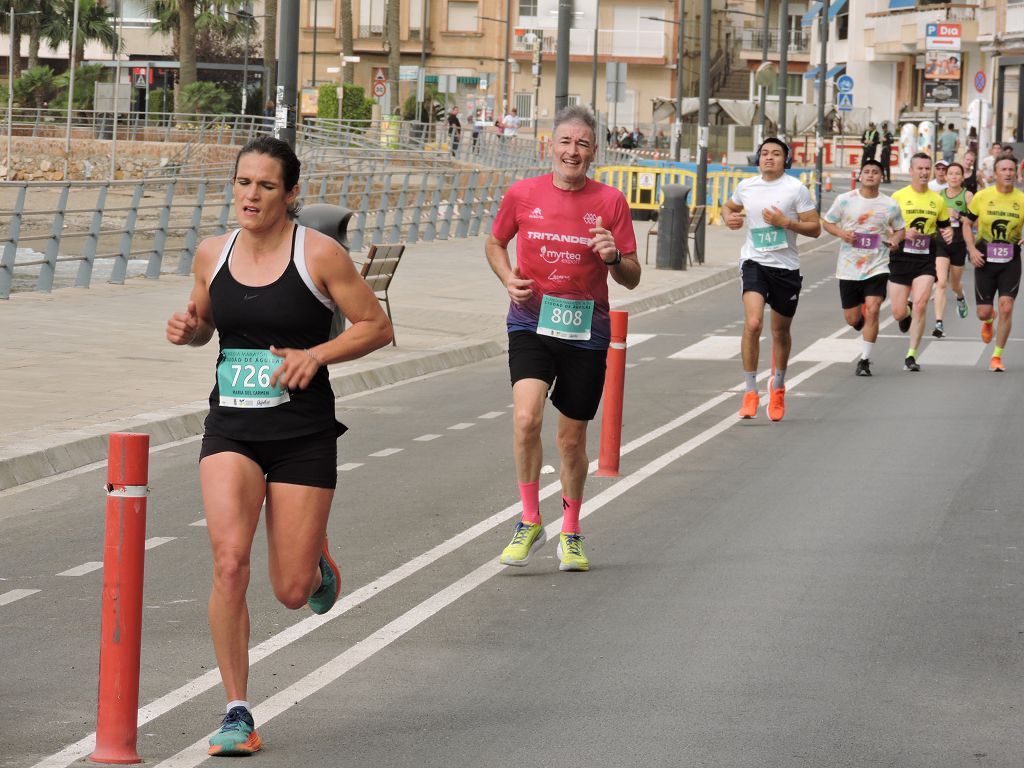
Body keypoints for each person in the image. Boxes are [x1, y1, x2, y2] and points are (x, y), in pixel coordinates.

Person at [165, 137, 393, 756]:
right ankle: (237, 710)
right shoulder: (213, 253)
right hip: (232, 428)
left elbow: (378, 326)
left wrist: (314, 354)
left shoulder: (319, 254)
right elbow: (208, 322)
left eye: (266, 186)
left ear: (291, 194)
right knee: (229, 561)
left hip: (302, 435)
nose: (251, 195)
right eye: (243, 183)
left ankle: (315, 560)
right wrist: (190, 333)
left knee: (292, 591)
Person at [486, 105, 640, 572]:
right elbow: (495, 242)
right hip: (530, 320)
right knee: (526, 417)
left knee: (571, 441)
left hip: (585, 330)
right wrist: (508, 277)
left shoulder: (611, 202)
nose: (573, 151)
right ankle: (530, 519)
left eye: (583, 144)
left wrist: (613, 257)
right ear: (549, 147)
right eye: (565, 142)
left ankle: (571, 530)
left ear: (594, 153)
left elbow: (632, 277)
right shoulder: (522, 193)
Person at [722, 137, 821, 419]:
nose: (769, 158)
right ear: (758, 158)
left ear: (785, 160)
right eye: (764, 153)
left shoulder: (795, 189)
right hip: (754, 261)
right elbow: (728, 207)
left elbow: (815, 228)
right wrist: (729, 218)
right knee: (753, 323)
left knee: (780, 331)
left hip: (786, 267)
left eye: (776, 154)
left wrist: (786, 223)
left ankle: (777, 387)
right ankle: (750, 391)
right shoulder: (746, 187)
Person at [821, 159, 906, 377]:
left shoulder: (890, 204)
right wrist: (842, 234)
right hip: (849, 267)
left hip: (877, 265)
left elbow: (900, 229)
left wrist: (895, 240)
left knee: (874, 309)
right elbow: (828, 222)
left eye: (875, 172)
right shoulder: (844, 200)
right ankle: (866, 327)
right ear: (860, 176)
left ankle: (865, 360)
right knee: (852, 319)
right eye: (866, 172)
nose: (870, 175)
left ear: (881, 177)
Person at [889, 152, 954, 371]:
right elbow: (885, 227)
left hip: (925, 259)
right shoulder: (898, 196)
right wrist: (902, 233)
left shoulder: (937, 200)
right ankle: (904, 311)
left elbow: (944, 226)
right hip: (900, 257)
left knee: (921, 304)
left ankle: (911, 356)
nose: (925, 172)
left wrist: (948, 234)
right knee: (898, 312)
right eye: (921, 168)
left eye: (928, 169)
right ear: (911, 171)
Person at [963, 155, 1024, 371]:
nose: (1008, 173)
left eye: (1011, 169)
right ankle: (989, 321)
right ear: (995, 173)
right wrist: (971, 249)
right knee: (983, 312)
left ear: (1016, 172)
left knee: (1006, 307)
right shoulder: (982, 196)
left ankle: (997, 357)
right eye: (1003, 169)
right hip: (984, 260)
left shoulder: (1022, 199)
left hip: (1010, 260)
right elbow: (967, 223)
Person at [932, 162, 973, 338]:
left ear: (962, 177)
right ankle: (939, 324)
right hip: (941, 242)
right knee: (941, 282)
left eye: (958, 174)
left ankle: (960, 296)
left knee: (954, 284)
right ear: (945, 177)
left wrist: (957, 214)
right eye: (951, 174)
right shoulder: (939, 196)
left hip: (958, 244)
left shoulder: (968, 195)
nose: (954, 176)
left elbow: (973, 222)